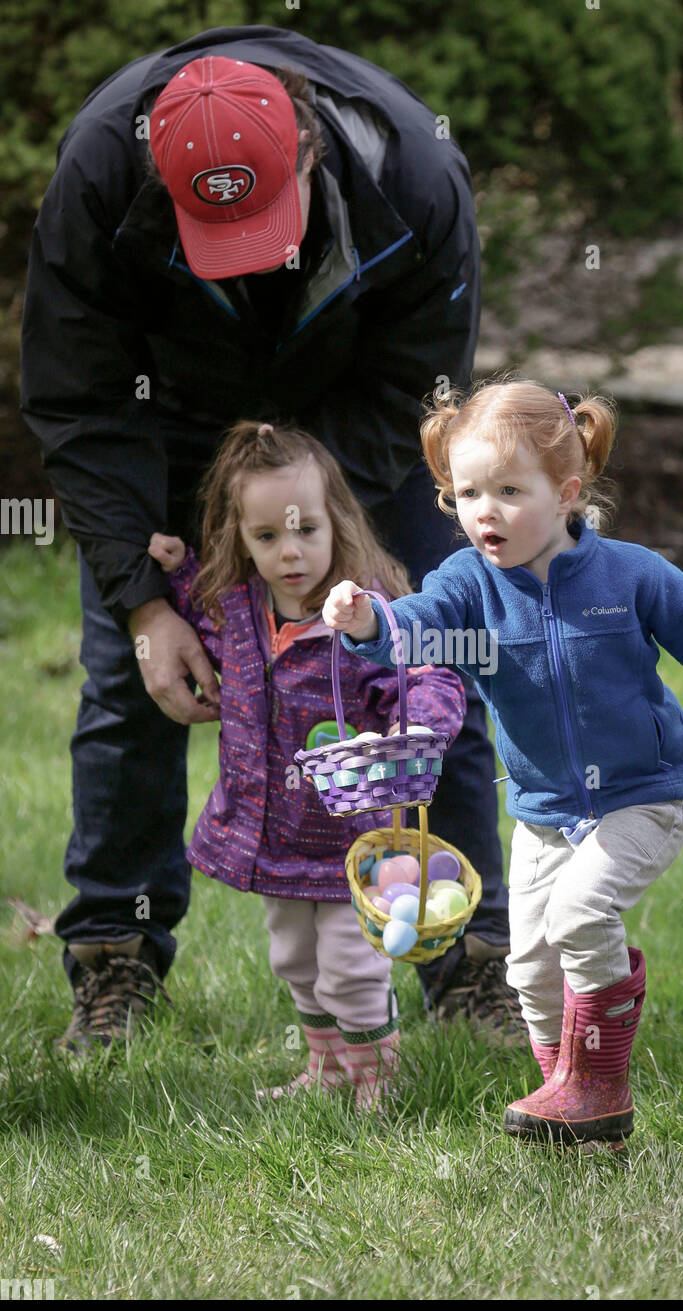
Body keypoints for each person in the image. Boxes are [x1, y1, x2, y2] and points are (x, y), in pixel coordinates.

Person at [19, 26, 514, 1051]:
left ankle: (465, 961)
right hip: (176, 415)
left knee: (426, 653)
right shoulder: (100, 178)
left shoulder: (413, 175)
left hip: (359, 417)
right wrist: (151, 601)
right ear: (162, 177)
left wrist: (321, 547)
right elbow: (81, 396)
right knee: (130, 673)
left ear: (308, 153)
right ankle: (116, 955)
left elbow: (415, 389)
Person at [323, 377, 683, 1146]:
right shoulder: (468, 587)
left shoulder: (631, 575)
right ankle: (570, 1100)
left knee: (583, 915)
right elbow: (413, 630)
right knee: (531, 970)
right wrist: (366, 622)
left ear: (568, 492)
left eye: (510, 490)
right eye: (468, 492)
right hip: (546, 811)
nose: (486, 510)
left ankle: (601, 1086)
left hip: (641, 796)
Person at [147, 419, 466, 1106]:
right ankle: (326, 1071)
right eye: (266, 537)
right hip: (274, 831)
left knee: (351, 965)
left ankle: (378, 1078)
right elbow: (203, 629)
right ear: (241, 539)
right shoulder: (238, 611)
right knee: (292, 957)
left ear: (335, 522)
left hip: (350, 835)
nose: (289, 553)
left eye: (306, 531)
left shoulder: (363, 617)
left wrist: (418, 728)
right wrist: (178, 574)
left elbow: (425, 675)